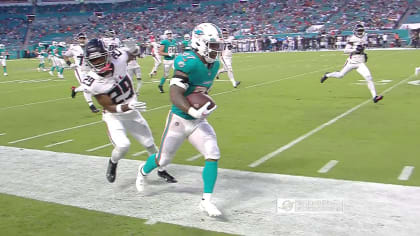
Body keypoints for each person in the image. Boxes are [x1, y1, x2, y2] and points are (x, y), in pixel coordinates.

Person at [136, 23, 223, 217]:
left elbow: (201, 91)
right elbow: (175, 94)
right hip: (180, 118)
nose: (216, 50)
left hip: (197, 120)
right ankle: (142, 172)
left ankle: (206, 201)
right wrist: (193, 111)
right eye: (213, 45)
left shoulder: (215, 64)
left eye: (218, 45)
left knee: (213, 152)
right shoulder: (187, 60)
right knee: (163, 159)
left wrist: (203, 104)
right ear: (199, 43)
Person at [82, 38, 176, 184]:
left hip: (131, 111)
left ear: (107, 54)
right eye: (94, 60)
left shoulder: (118, 57)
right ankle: (113, 162)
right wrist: (126, 107)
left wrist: (134, 49)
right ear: (88, 61)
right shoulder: (92, 82)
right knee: (123, 146)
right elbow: (107, 106)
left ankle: (161, 170)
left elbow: (134, 54)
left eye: (101, 57)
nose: (99, 62)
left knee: (149, 144)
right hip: (114, 115)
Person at [321, 23, 383, 103]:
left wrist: (363, 53)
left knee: (369, 77)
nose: (360, 32)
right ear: (355, 31)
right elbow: (345, 50)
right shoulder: (352, 39)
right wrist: (355, 50)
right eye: (359, 31)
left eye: (361, 31)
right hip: (351, 62)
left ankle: (375, 97)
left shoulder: (365, 36)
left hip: (360, 63)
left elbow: (364, 45)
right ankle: (327, 75)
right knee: (340, 75)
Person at [63, 32, 100, 113]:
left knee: (95, 85)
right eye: (80, 38)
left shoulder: (90, 47)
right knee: (86, 88)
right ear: (78, 39)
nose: (82, 40)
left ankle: (75, 90)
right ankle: (91, 105)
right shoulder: (74, 47)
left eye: (83, 38)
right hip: (80, 70)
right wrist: (70, 64)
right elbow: (65, 56)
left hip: (91, 70)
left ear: (86, 38)